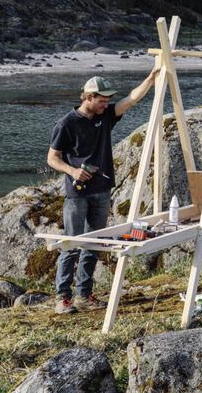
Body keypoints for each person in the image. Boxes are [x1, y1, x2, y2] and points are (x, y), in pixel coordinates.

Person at [46, 70, 158, 314]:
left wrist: (152, 77)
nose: (107, 104)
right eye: (102, 100)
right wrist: (73, 171)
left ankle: (83, 296)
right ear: (88, 97)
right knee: (70, 244)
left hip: (102, 191)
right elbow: (52, 158)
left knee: (93, 244)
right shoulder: (66, 124)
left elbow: (132, 99)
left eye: (108, 101)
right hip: (77, 195)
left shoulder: (105, 115)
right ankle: (62, 298)